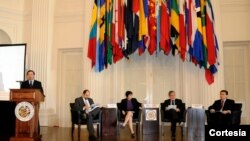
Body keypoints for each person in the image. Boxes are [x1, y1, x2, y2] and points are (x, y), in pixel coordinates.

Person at [21, 70, 44, 134]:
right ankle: (26, 130)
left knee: (35, 116)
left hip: (35, 103)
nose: (30, 76)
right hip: (26, 103)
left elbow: (41, 92)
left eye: (31, 74)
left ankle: (36, 130)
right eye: (29, 74)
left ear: (34, 75)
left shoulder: (38, 83)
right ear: (27, 76)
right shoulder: (24, 83)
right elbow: (21, 93)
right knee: (26, 116)